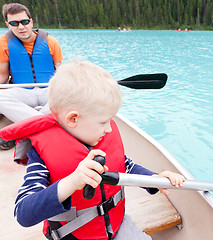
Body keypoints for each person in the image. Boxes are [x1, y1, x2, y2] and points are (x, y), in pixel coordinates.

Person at [0, 60, 185, 240]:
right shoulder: (41, 156)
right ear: (73, 119)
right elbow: (23, 213)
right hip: (74, 234)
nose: (109, 129)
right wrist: (72, 181)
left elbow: (125, 165)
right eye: (103, 122)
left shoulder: (100, 136)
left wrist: (154, 179)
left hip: (116, 224)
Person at [0, 3, 63, 150]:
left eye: (25, 22)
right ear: (7, 25)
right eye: (14, 23)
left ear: (31, 21)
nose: (21, 27)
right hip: (22, 91)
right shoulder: (3, 43)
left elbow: (61, 72)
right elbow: (2, 77)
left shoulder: (50, 41)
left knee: (72, 96)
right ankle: (44, 127)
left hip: (49, 91)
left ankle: (23, 131)